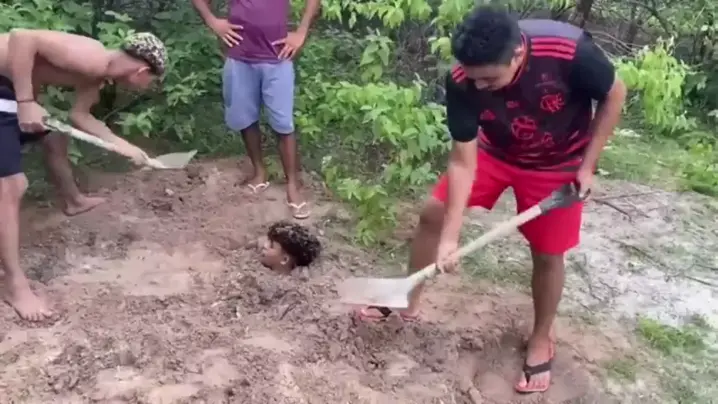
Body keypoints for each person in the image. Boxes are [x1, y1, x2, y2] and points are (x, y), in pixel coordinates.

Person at [355, 7, 626, 395]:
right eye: (475, 79)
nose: (480, 87)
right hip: (494, 152)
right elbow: (462, 161)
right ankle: (407, 299)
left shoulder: (569, 51)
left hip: (558, 161)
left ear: (517, 54)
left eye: (490, 79)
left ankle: (540, 337)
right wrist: (451, 237)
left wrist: (588, 164)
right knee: (433, 213)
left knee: (548, 253)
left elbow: (615, 93)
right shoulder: (463, 79)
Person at [0, 30, 167, 321]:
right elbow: (22, 37)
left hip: (9, 90)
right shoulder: (92, 58)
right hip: (7, 91)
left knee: (55, 137)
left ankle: (73, 200)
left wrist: (124, 146)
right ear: (142, 71)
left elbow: (81, 116)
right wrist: (25, 103)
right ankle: (15, 284)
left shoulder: (97, 75)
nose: (146, 88)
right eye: (151, 81)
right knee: (11, 185)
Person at [191, 0, 321, 220]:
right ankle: (259, 173)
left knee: (283, 124)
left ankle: (292, 186)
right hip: (239, 57)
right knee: (245, 118)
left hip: (278, 57)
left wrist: (301, 32)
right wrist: (212, 21)